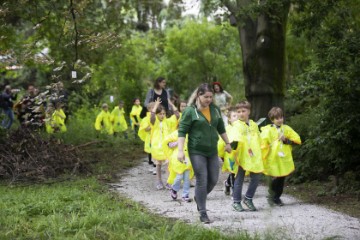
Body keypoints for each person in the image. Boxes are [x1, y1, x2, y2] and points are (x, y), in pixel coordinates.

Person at [177, 83, 231, 224]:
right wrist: (180, 151)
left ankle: (199, 197)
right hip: (196, 150)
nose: (208, 99)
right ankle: (203, 212)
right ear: (198, 95)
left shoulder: (215, 109)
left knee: (213, 179)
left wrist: (228, 143)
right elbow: (182, 131)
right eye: (206, 96)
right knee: (202, 179)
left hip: (212, 150)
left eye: (210, 97)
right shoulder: (190, 111)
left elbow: (221, 127)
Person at [260, 107, 301, 206]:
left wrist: (286, 140)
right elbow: (262, 143)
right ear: (272, 119)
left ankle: (276, 197)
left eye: (281, 117)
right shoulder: (268, 130)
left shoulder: (286, 129)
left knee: (281, 178)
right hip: (272, 158)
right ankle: (272, 195)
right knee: (275, 177)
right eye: (277, 118)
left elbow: (297, 140)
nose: (280, 120)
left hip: (283, 158)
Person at [231, 100, 264, 212]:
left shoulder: (254, 125)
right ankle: (236, 201)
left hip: (253, 156)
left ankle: (248, 198)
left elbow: (259, 138)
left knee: (256, 177)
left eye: (243, 111)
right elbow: (234, 137)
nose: (241, 113)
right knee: (239, 178)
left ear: (249, 111)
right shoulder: (236, 125)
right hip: (242, 156)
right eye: (238, 111)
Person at [163, 129, 194, 202]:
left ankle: (185, 195)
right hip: (177, 157)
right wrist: (178, 143)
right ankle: (174, 189)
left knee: (187, 178)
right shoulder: (175, 133)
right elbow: (168, 144)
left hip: (187, 158)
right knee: (179, 176)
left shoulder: (191, 133)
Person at [150, 98, 172, 190]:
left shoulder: (166, 122)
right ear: (157, 114)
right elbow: (152, 116)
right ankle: (159, 181)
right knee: (158, 164)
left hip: (165, 146)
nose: (162, 115)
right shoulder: (155, 122)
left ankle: (169, 181)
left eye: (163, 114)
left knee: (168, 164)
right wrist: (155, 106)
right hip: (157, 147)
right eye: (160, 114)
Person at [219, 107, 240, 196]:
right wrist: (222, 153)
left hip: (240, 154)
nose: (237, 117)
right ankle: (234, 191)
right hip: (230, 154)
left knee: (238, 171)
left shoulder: (241, 127)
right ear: (229, 119)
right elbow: (221, 142)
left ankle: (227, 183)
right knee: (232, 171)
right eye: (234, 116)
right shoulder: (227, 129)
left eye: (238, 115)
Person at [138, 102, 156, 174]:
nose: (154, 109)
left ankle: (156, 166)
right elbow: (146, 129)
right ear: (148, 109)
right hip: (150, 137)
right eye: (152, 108)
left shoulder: (158, 116)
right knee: (150, 151)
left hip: (157, 137)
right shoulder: (145, 119)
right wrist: (152, 126)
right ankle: (151, 165)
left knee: (156, 150)